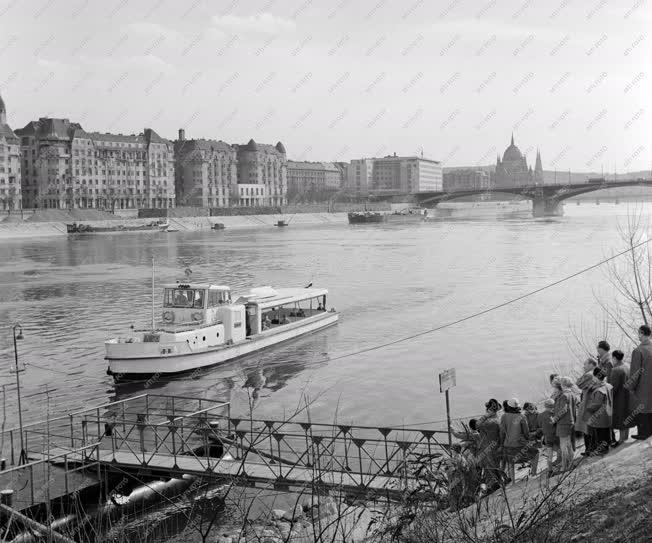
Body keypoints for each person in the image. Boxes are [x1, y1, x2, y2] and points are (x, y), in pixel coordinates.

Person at [628, 324, 652, 440]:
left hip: (643, 386)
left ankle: (643, 433)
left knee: (642, 409)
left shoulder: (638, 351)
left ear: (642, 333)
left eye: (639, 332)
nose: (638, 335)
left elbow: (635, 372)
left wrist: (630, 387)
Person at [499, 398, 533, 480]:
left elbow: (502, 432)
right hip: (520, 444)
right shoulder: (522, 416)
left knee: (511, 462)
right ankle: (534, 474)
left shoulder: (504, 416)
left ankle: (512, 481)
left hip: (508, 445)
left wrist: (501, 444)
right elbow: (526, 432)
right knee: (535, 454)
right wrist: (528, 440)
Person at [585, 367, 613, 455]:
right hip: (608, 413)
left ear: (596, 376)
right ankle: (607, 447)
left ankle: (602, 450)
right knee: (606, 432)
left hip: (600, 416)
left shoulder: (599, 390)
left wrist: (587, 407)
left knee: (601, 434)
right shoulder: (608, 386)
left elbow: (596, 404)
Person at [552, 377, 576, 471]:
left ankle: (565, 466)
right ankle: (571, 464)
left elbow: (563, 410)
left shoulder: (564, 396)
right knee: (568, 444)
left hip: (563, 423)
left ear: (562, 385)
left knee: (563, 446)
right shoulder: (571, 394)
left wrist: (555, 419)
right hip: (570, 421)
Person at [609, 350, 631, 446]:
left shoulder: (616, 370)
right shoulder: (627, 366)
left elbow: (613, 387)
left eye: (612, 358)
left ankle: (621, 441)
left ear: (614, 358)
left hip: (619, 398)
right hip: (628, 396)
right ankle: (625, 438)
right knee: (626, 418)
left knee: (621, 419)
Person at [576, 358, 598, 453]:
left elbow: (579, 383)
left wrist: (583, 374)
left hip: (587, 404)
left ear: (591, 365)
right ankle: (591, 448)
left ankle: (590, 449)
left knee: (587, 427)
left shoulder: (589, 375)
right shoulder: (596, 373)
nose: (583, 366)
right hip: (592, 403)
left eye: (585, 364)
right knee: (591, 427)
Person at [539, 398, 559, 473]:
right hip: (556, 436)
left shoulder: (540, 415)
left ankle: (550, 470)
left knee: (549, 456)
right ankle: (559, 466)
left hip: (547, 437)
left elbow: (539, 425)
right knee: (560, 451)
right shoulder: (555, 414)